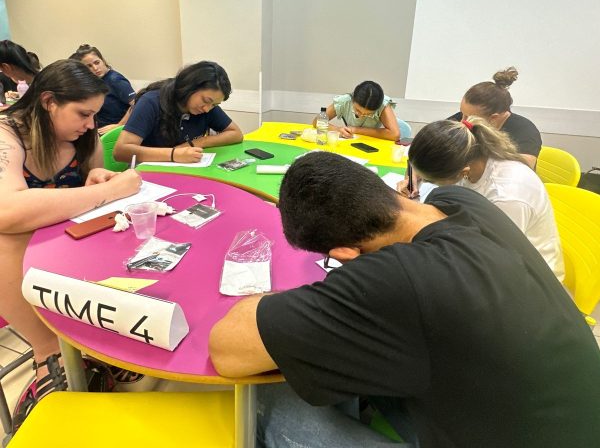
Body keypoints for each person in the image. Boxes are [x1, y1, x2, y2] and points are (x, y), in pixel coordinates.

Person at [209, 152, 600, 448]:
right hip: (564, 415)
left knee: (270, 403)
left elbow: (228, 351)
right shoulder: (460, 203)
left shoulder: (395, 280)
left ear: (344, 252)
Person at [0, 60, 142, 425]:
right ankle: (47, 349)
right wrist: (110, 191)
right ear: (48, 101)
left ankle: (92, 336)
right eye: (83, 114)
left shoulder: (83, 139)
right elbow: (7, 210)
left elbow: (87, 190)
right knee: (5, 238)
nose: (91, 125)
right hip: (19, 257)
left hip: (67, 247)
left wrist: (97, 178)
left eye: (94, 115)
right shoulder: (6, 134)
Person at [398, 117, 563, 280]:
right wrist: (411, 179)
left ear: (463, 172)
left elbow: (495, 260)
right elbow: (414, 162)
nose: (426, 182)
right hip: (487, 242)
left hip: (531, 276)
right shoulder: (469, 156)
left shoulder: (505, 197)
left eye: (430, 180)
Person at [113, 60, 243, 164]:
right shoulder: (151, 102)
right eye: (205, 100)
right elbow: (121, 151)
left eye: (214, 105)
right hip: (149, 172)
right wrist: (173, 154)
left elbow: (236, 133)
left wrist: (197, 143)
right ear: (190, 87)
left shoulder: (207, 108)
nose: (207, 109)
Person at [449, 67, 541, 168]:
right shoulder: (460, 118)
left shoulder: (525, 130)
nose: (462, 122)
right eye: (462, 113)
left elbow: (524, 168)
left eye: (469, 117)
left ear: (494, 118)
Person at [70, 44, 136, 135]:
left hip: (115, 131)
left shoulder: (115, 80)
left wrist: (119, 125)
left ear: (103, 61)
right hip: (98, 129)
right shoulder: (95, 81)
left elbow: (137, 104)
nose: (95, 68)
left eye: (97, 62)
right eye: (89, 66)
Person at [313, 80, 400, 141]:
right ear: (353, 100)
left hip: (372, 144)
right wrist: (338, 129)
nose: (361, 116)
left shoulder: (383, 105)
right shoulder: (345, 101)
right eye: (357, 110)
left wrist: (356, 130)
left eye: (368, 114)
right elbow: (317, 121)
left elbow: (395, 134)